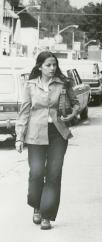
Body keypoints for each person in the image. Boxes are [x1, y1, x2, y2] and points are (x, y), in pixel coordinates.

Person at [15, 51, 80, 230]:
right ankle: (36, 205)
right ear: (39, 67)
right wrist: (19, 137)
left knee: (53, 174)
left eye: (54, 65)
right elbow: (24, 112)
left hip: (58, 133)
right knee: (36, 172)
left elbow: (76, 103)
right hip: (35, 133)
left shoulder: (64, 84)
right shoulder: (29, 86)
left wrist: (72, 114)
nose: (52, 68)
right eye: (48, 65)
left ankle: (46, 215)